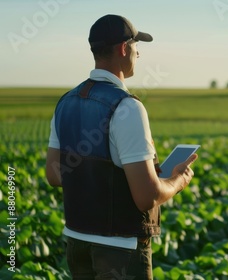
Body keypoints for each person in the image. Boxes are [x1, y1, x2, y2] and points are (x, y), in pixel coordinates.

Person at [45, 14, 197, 279]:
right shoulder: (127, 107)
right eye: (137, 47)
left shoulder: (65, 102)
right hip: (119, 251)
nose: (139, 54)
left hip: (76, 243)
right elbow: (146, 197)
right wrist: (179, 179)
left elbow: (54, 175)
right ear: (124, 49)